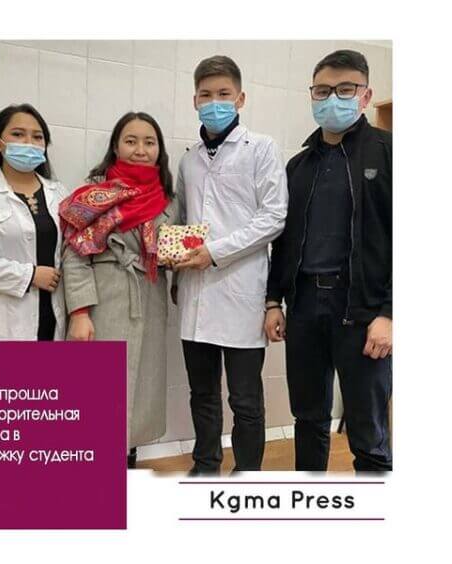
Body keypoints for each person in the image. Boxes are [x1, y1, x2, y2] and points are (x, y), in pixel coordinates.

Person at [264, 50, 392, 472]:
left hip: (363, 310)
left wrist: (390, 313)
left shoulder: (390, 153)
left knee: (368, 431)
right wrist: (273, 301)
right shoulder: (297, 166)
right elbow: (283, 241)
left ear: (365, 95)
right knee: (308, 418)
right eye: (323, 90)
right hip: (304, 307)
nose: (332, 98)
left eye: (345, 89)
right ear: (312, 95)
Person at [173, 56, 288, 474]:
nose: (214, 102)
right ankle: (205, 465)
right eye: (206, 95)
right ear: (194, 100)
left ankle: (247, 474)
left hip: (242, 292)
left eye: (224, 94)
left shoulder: (262, 148)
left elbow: (274, 217)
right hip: (196, 292)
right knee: (202, 393)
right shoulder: (188, 160)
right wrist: (174, 259)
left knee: (245, 399)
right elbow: (183, 220)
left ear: (240, 98)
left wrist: (215, 251)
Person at [60, 112, 178, 468]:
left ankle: (127, 463)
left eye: (149, 142)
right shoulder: (93, 195)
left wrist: (180, 259)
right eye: (131, 141)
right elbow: (74, 256)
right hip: (104, 301)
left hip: (149, 300)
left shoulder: (169, 200)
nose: (140, 149)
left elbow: (172, 251)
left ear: (159, 150)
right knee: (95, 394)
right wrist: (80, 312)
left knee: (137, 395)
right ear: (115, 146)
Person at [0, 104, 68, 340]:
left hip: (50, 315)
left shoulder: (59, 193)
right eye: (18, 134)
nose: (29, 143)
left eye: (37, 137)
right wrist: (30, 275)